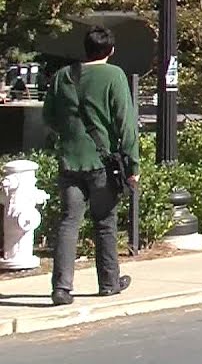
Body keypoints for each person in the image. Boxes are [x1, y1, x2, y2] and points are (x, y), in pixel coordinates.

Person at [43, 25, 139, 306]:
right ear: (110, 51)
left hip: (70, 160)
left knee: (68, 222)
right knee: (105, 222)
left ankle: (61, 287)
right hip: (102, 162)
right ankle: (109, 282)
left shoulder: (63, 76)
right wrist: (133, 165)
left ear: (85, 48)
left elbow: (49, 116)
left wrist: (70, 133)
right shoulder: (114, 75)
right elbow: (126, 124)